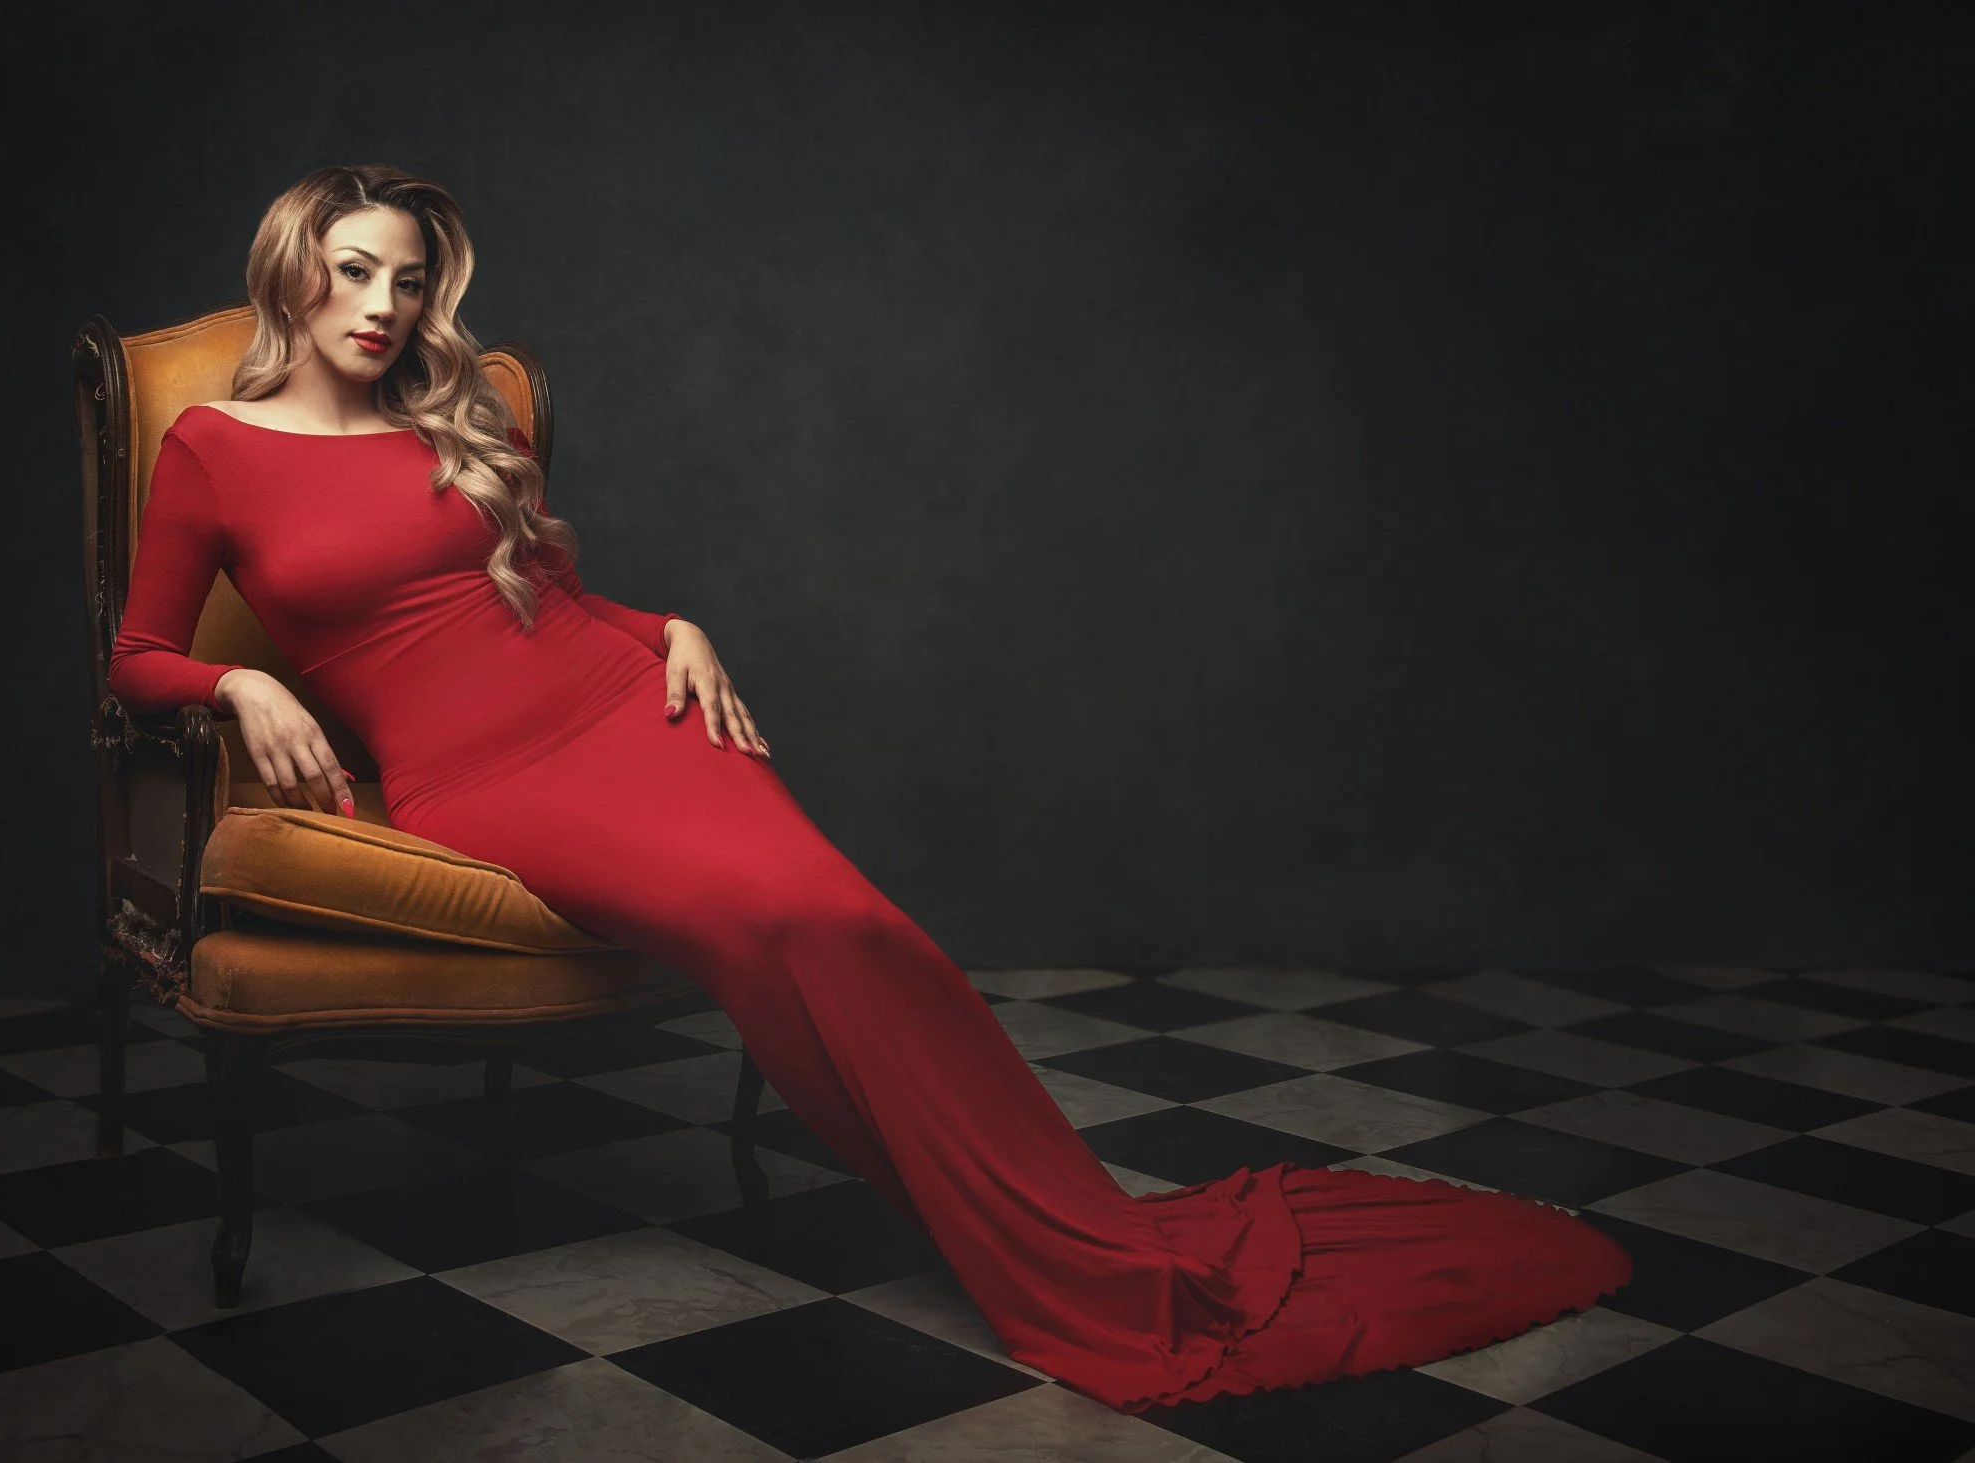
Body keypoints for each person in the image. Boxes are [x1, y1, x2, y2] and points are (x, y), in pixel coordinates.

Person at [108, 162, 1631, 1413]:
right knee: (784, 928)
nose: (386, 306)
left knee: (852, 922)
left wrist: (671, 626)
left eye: (410, 279)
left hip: (623, 703)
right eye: (357, 272)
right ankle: (1060, 1254)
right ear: (294, 272)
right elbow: (135, 656)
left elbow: (539, 598)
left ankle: (1074, 1230)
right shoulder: (215, 450)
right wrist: (242, 680)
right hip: (483, 779)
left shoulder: (456, 417)